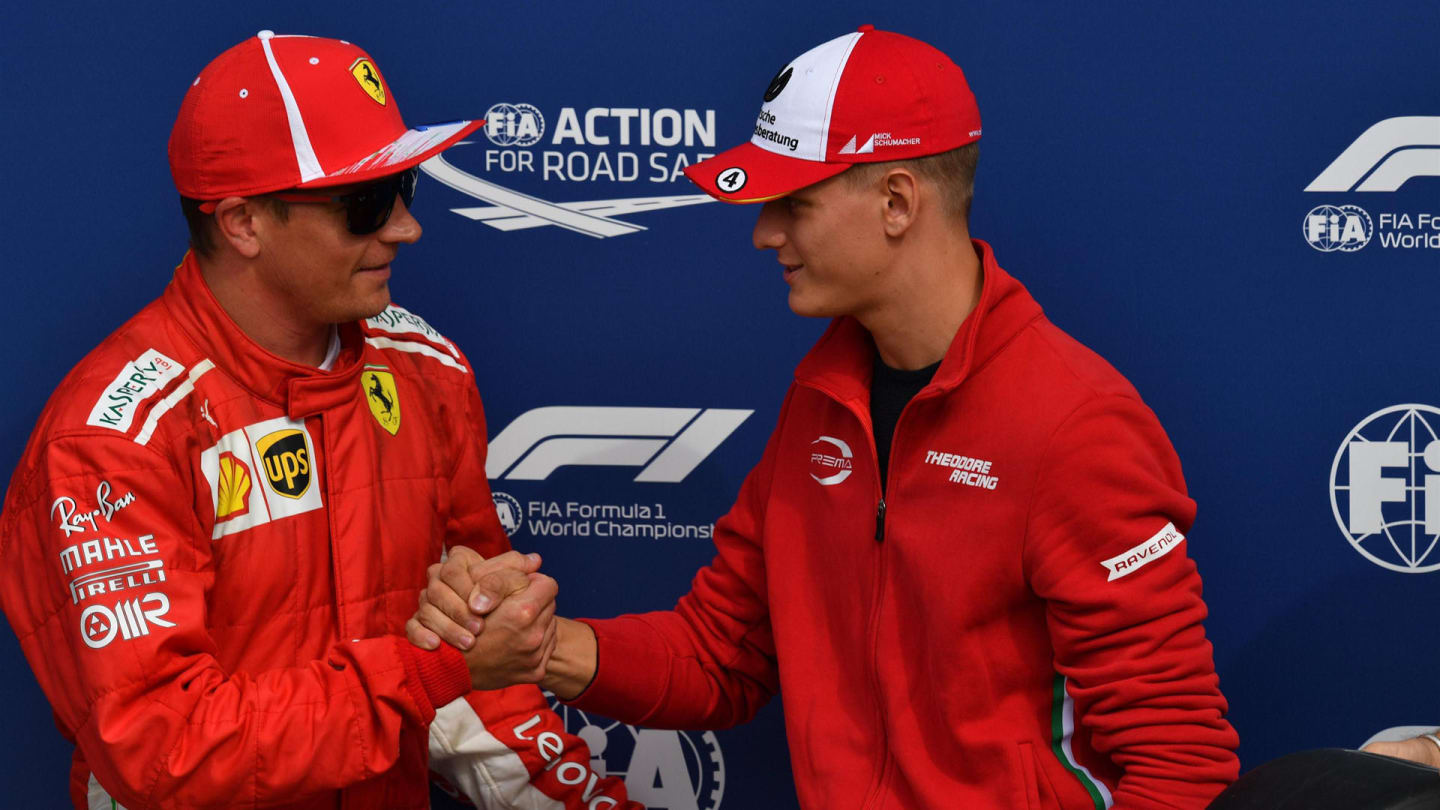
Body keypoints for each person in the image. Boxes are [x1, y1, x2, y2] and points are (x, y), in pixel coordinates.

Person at [412, 24, 1241, 810]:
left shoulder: (1074, 423)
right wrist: (541, 647)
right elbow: (720, 655)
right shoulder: (823, 400)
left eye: (795, 202)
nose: (764, 233)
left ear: (896, 200)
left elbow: (1179, 753)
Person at [0, 30, 637, 810]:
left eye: (408, 189)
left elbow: (477, 673)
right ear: (242, 223)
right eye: (366, 204)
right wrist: (433, 672)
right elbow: (163, 750)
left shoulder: (426, 370)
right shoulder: (113, 441)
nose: (406, 227)